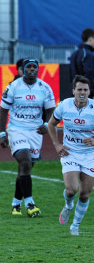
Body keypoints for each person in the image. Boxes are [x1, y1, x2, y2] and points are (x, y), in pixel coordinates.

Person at [47, 75, 94, 236]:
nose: (82, 92)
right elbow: (51, 124)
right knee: (71, 190)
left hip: (90, 155)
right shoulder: (64, 106)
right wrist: (57, 144)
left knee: (84, 193)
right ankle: (68, 205)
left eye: (85, 89)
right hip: (70, 152)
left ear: (89, 91)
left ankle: (75, 226)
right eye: (79, 89)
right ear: (73, 91)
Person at [0, 59, 56, 217]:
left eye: (34, 67)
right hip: (16, 129)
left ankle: (15, 204)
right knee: (24, 161)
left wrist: (47, 123)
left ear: (38, 69)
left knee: (26, 168)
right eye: (28, 67)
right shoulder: (13, 87)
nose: (32, 69)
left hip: (35, 132)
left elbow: (51, 109)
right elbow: (3, 110)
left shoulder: (45, 88)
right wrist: (2, 133)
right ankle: (30, 204)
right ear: (22, 70)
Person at [69, 28, 94, 157]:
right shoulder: (88, 54)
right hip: (87, 97)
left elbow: (71, 76)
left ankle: (77, 154)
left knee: (77, 127)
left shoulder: (75, 54)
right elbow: (89, 76)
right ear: (90, 39)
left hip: (75, 96)